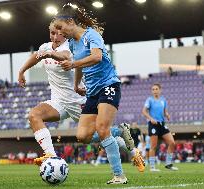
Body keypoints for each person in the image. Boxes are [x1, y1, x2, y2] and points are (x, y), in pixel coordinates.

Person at [18, 21, 142, 172]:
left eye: (59, 33)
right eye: (52, 33)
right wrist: (21, 71)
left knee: (96, 136)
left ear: (64, 32)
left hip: (78, 101)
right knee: (34, 115)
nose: (55, 36)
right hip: (58, 102)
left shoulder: (70, 46)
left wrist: (51, 54)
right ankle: (50, 155)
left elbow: (64, 56)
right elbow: (36, 56)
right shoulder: (45, 47)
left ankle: (127, 143)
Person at [53, 4, 144, 184]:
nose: (60, 33)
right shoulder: (72, 43)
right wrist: (76, 84)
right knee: (83, 136)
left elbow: (97, 57)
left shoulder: (91, 35)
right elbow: (79, 62)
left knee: (102, 130)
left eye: (61, 28)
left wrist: (72, 65)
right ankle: (120, 131)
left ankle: (119, 175)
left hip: (108, 85)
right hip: (92, 92)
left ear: (71, 22)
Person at [142, 83, 178, 171]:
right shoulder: (149, 100)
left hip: (162, 124)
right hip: (153, 124)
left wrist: (167, 115)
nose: (154, 91)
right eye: (153, 89)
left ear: (160, 90)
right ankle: (152, 167)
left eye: (156, 89)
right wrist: (151, 119)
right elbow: (144, 111)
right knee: (153, 146)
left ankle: (168, 164)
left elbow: (165, 111)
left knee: (172, 143)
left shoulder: (163, 100)